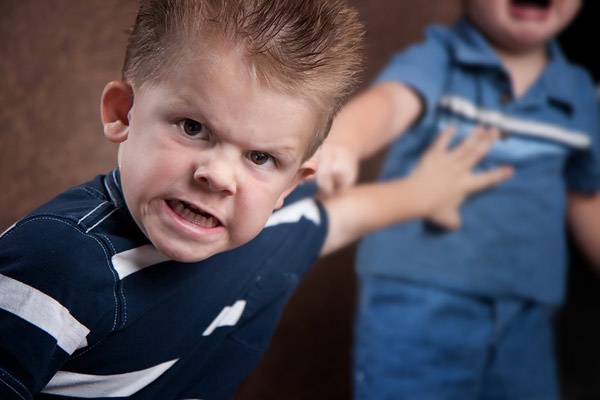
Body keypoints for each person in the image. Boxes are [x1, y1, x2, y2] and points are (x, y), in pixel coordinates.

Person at [0, 0, 511, 399]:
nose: (219, 176)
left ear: (292, 182)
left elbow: (335, 219)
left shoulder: (262, 235)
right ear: (122, 113)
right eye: (193, 127)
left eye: (261, 158)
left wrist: (424, 193)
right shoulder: (57, 263)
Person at [315, 0, 600, 399]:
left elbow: (584, 196)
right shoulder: (440, 58)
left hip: (526, 311)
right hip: (419, 301)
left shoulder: (577, 92)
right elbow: (391, 103)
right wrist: (344, 141)